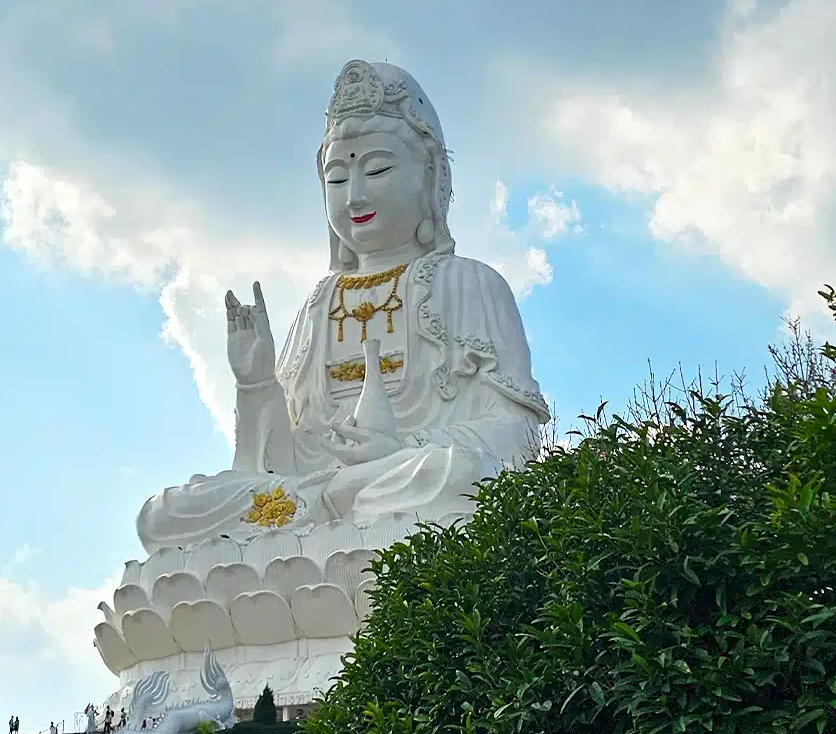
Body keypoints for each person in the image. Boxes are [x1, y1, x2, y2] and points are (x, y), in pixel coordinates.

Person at [133, 60, 549, 549]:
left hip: (405, 483)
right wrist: (256, 383)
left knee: (454, 474)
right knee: (163, 516)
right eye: (336, 178)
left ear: (430, 175)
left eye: (377, 169)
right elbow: (274, 465)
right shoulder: (320, 302)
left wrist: (398, 451)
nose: (354, 196)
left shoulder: (468, 284)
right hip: (312, 497)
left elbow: (515, 441)